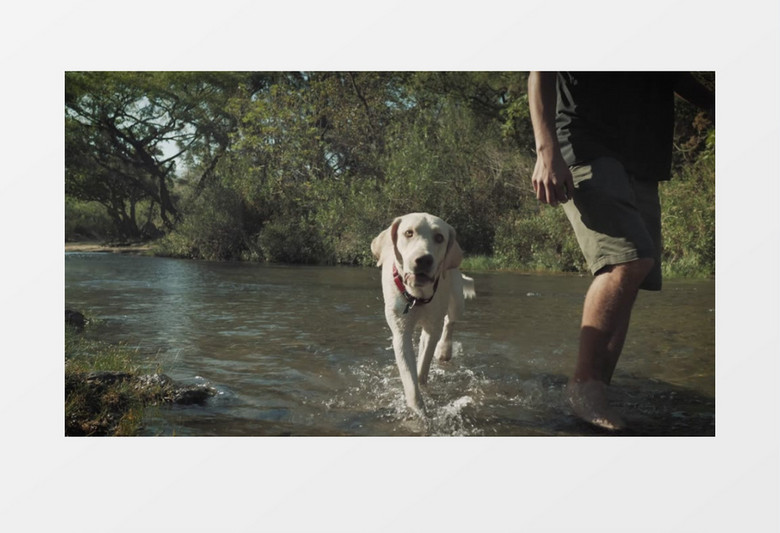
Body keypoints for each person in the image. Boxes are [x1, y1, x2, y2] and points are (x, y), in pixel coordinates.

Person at [528, 71, 714, 430]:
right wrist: (546, 149)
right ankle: (583, 390)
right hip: (586, 144)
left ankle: (598, 390)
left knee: (634, 274)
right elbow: (542, 68)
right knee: (627, 261)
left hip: (642, 157)